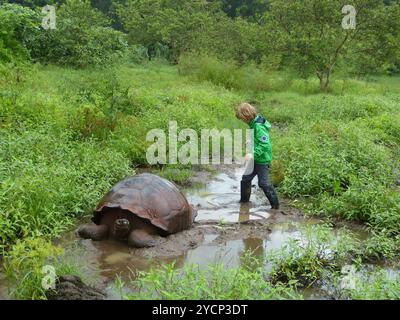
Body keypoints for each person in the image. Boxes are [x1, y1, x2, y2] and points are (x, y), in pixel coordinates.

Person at [235, 102, 280, 210]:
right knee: (245, 179)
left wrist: (252, 154)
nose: (242, 121)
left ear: (247, 115)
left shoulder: (259, 126)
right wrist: (251, 141)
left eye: (242, 119)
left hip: (262, 160)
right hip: (256, 159)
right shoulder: (253, 123)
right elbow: (258, 139)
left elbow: (265, 145)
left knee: (263, 183)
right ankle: (244, 203)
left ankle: (275, 206)